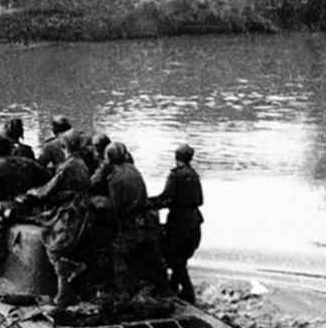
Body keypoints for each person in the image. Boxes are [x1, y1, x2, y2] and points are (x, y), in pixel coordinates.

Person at [25, 130, 92, 307]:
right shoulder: (81, 163)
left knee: (55, 248)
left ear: (63, 147)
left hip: (70, 213)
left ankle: (64, 294)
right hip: (81, 211)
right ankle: (73, 276)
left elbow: (48, 190)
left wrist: (34, 192)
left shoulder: (67, 166)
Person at [104, 143, 168, 297]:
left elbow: (116, 208)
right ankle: (165, 290)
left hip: (130, 223)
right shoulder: (133, 169)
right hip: (146, 220)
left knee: (119, 256)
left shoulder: (114, 179)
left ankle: (122, 294)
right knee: (154, 258)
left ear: (109, 158)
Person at [150, 143, 204, 304]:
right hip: (195, 221)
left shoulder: (175, 176)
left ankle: (189, 295)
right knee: (181, 258)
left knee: (175, 260)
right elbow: (200, 200)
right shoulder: (195, 175)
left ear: (176, 158)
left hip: (179, 223)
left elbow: (166, 198)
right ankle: (173, 288)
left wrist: (149, 203)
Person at [0, 134, 49, 202]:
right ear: (11, 149)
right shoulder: (27, 161)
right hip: (32, 199)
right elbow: (48, 176)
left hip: (12, 203)